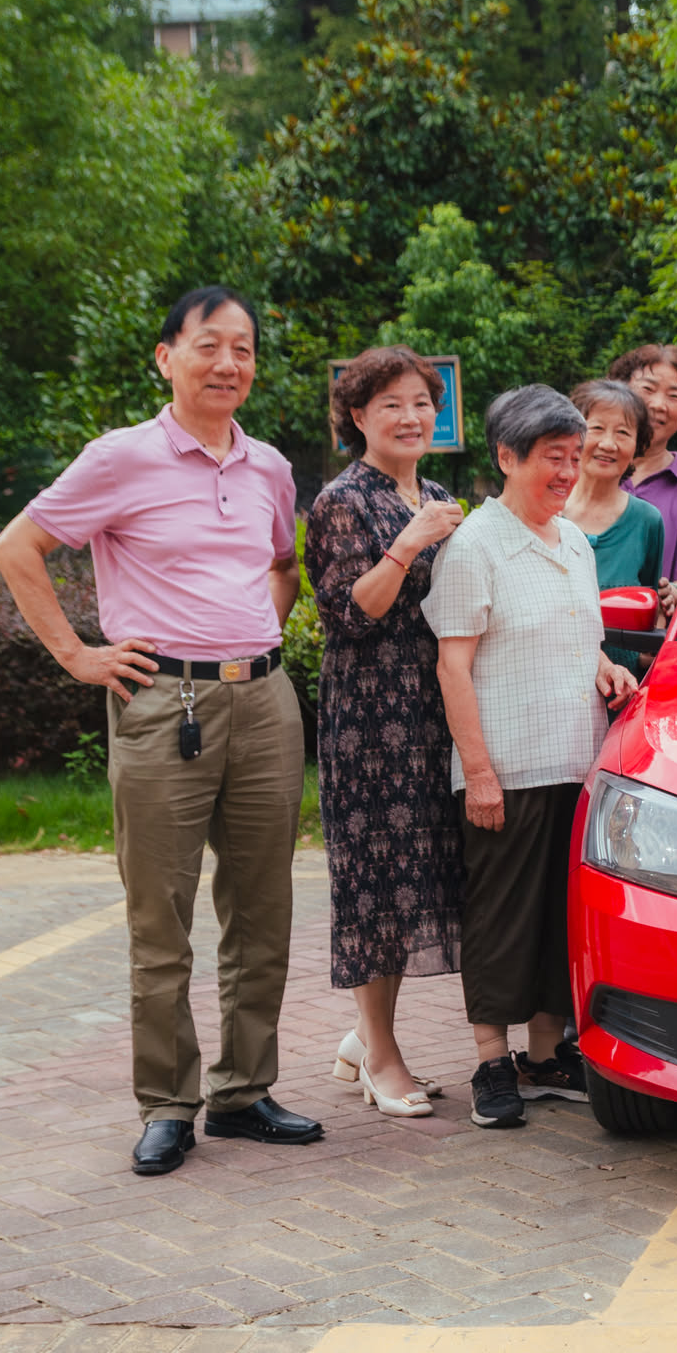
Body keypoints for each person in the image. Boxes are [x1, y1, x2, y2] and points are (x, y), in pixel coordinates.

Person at [0, 286, 320, 1176]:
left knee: (263, 912)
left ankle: (244, 1093)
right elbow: (16, 548)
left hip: (264, 701)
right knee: (160, 918)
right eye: (209, 345)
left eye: (243, 349)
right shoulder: (119, 458)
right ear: (166, 357)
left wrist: (251, 635)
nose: (228, 364)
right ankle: (168, 1103)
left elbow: (283, 565)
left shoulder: (268, 467)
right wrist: (77, 655)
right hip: (161, 702)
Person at [425, 385, 638, 1130]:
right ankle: (492, 1061)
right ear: (508, 457)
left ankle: (546, 1055)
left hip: (576, 761)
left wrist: (605, 667)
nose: (569, 472)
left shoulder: (572, 540)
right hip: (507, 769)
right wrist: (479, 773)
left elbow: (577, 637)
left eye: (574, 457)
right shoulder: (475, 546)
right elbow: (453, 666)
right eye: (554, 457)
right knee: (501, 915)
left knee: (559, 915)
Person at [304, 347, 466, 1119]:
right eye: (391, 404)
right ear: (358, 416)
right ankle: (381, 1057)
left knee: (413, 878)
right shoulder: (342, 500)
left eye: (422, 403)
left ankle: (363, 1038)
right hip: (369, 718)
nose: (410, 417)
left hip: (430, 710)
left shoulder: (436, 495)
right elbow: (353, 610)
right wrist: (410, 542)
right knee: (374, 884)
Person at [564, 379, 665, 678]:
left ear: (637, 446)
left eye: (623, 433)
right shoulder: (546, 513)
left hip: (621, 693)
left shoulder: (647, 521)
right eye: (597, 428)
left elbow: (646, 617)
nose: (609, 444)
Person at [608, 343, 677, 603]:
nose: (659, 405)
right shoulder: (590, 468)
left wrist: (674, 592)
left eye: (674, 396)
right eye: (648, 389)